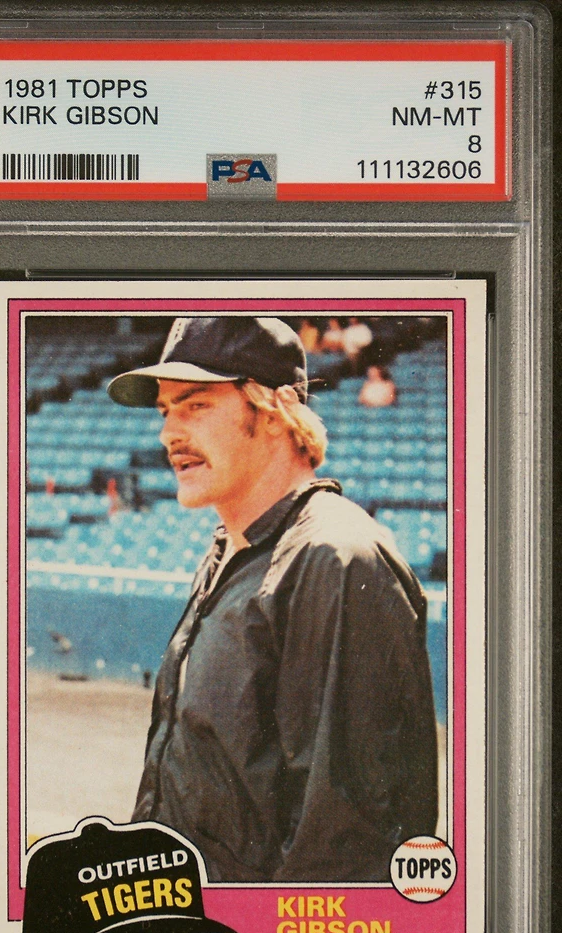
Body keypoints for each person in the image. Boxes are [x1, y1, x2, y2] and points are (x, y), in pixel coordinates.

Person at [107, 317, 437, 883]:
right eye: (165, 412)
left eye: (196, 405)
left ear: (275, 410)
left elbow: (347, 856)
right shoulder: (229, 548)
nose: (168, 434)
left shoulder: (334, 560)